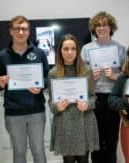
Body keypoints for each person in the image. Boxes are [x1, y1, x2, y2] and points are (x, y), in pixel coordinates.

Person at [0, 15, 49, 163]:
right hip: (13, 113)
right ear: (11, 31)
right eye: (17, 29)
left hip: (36, 110)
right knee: (19, 151)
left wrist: (41, 85)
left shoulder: (40, 53)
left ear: (29, 31)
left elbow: (47, 78)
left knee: (38, 150)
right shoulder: (1, 56)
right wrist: (1, 82)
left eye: (24, 29)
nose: (20, 32)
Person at [81, 11, 126, 163]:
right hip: (94, 98)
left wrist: (115, 76)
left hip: (113, 98)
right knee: (96, 141)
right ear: (94, 28)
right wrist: (89, 77)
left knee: (112, 140)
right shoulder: (86, 49)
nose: (101, 28)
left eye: (105, 24)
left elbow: (127, 77)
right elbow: (79, 77)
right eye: (98, 25)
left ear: (111, 27)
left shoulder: (120, 48)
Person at [48, 34, 99, 163]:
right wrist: (56, 107)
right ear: (60, 51)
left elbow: (93, 97)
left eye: (73, 48)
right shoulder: (53, 73)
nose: (69, 52)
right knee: (68, 160)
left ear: (77, 50)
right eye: (66, 49)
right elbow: (51, 102)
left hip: (84, 121)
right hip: (64, 122)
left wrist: (87, 104)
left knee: (84, 160)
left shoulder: (87, 71)